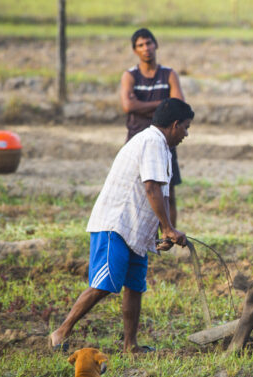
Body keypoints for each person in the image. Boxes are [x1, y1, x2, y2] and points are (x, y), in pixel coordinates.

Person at [48, 98, 192, 354]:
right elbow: (151, 188)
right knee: (103, 284)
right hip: (116, 224)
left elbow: (162, 193)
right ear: (175, 124)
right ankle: (61, 332)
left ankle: (130, 345)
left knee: (135, 287)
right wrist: (169, 229)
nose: (186, 134)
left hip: (135, 231)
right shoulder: (152, 142)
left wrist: (164, 230)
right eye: (186, 128)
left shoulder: (161, 147)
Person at [119, 28, 185, 225]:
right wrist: (163, 105)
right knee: (136, 192)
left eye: (148, 43)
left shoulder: (168, 74)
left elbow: (179, 105)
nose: (146, 48)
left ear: (156, 45)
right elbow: (128, 106)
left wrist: (142, 106)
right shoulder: (130, 76)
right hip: (136, 141)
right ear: (134, 50)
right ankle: (141, 235)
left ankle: (168, 237)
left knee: (168, 192)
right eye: (140, 45)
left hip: (166, 142)